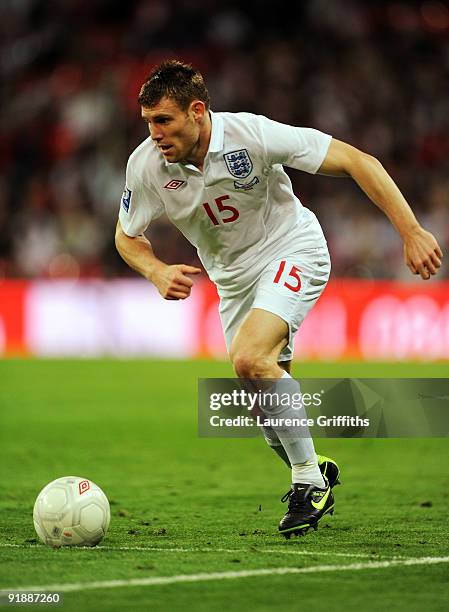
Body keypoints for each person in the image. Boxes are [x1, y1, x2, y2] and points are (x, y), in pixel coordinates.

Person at [115, 60, 443, 538]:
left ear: (198, 111)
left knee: (249, 359)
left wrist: (410, 231)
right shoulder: (146, 166)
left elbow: (358, 161)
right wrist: (155, 269)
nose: (154, 133)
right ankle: (313, 467)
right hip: (233, 282)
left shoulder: (253, 135)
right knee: (265, 405)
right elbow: (127, 237)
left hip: (292, 248)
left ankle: (308, 483)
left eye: (163, 120)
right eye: (148, 122)